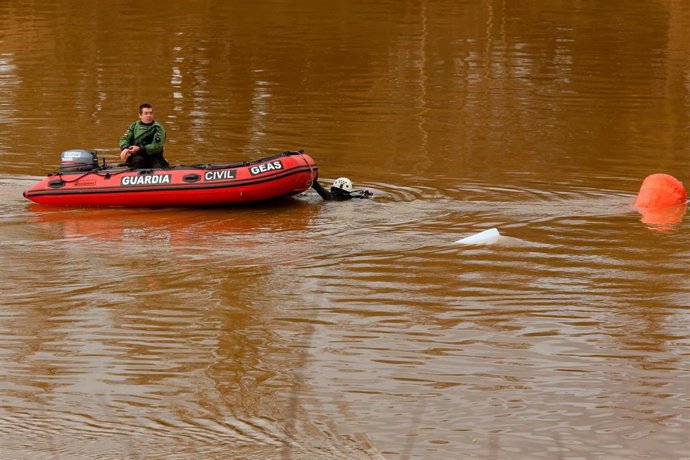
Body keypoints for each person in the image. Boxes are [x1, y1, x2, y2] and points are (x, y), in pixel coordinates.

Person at [119, 103, 169, 169]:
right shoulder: (134, 126)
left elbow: (156, 147)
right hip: (137, 157)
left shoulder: (158, 128)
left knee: (157, 167)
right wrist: (125, 148)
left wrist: (139, 148)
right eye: (146, 113)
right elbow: (125, 138)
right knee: (138, 161)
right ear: (140, 115)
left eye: (151, 113)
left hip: (153, 156)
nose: (149, 115)